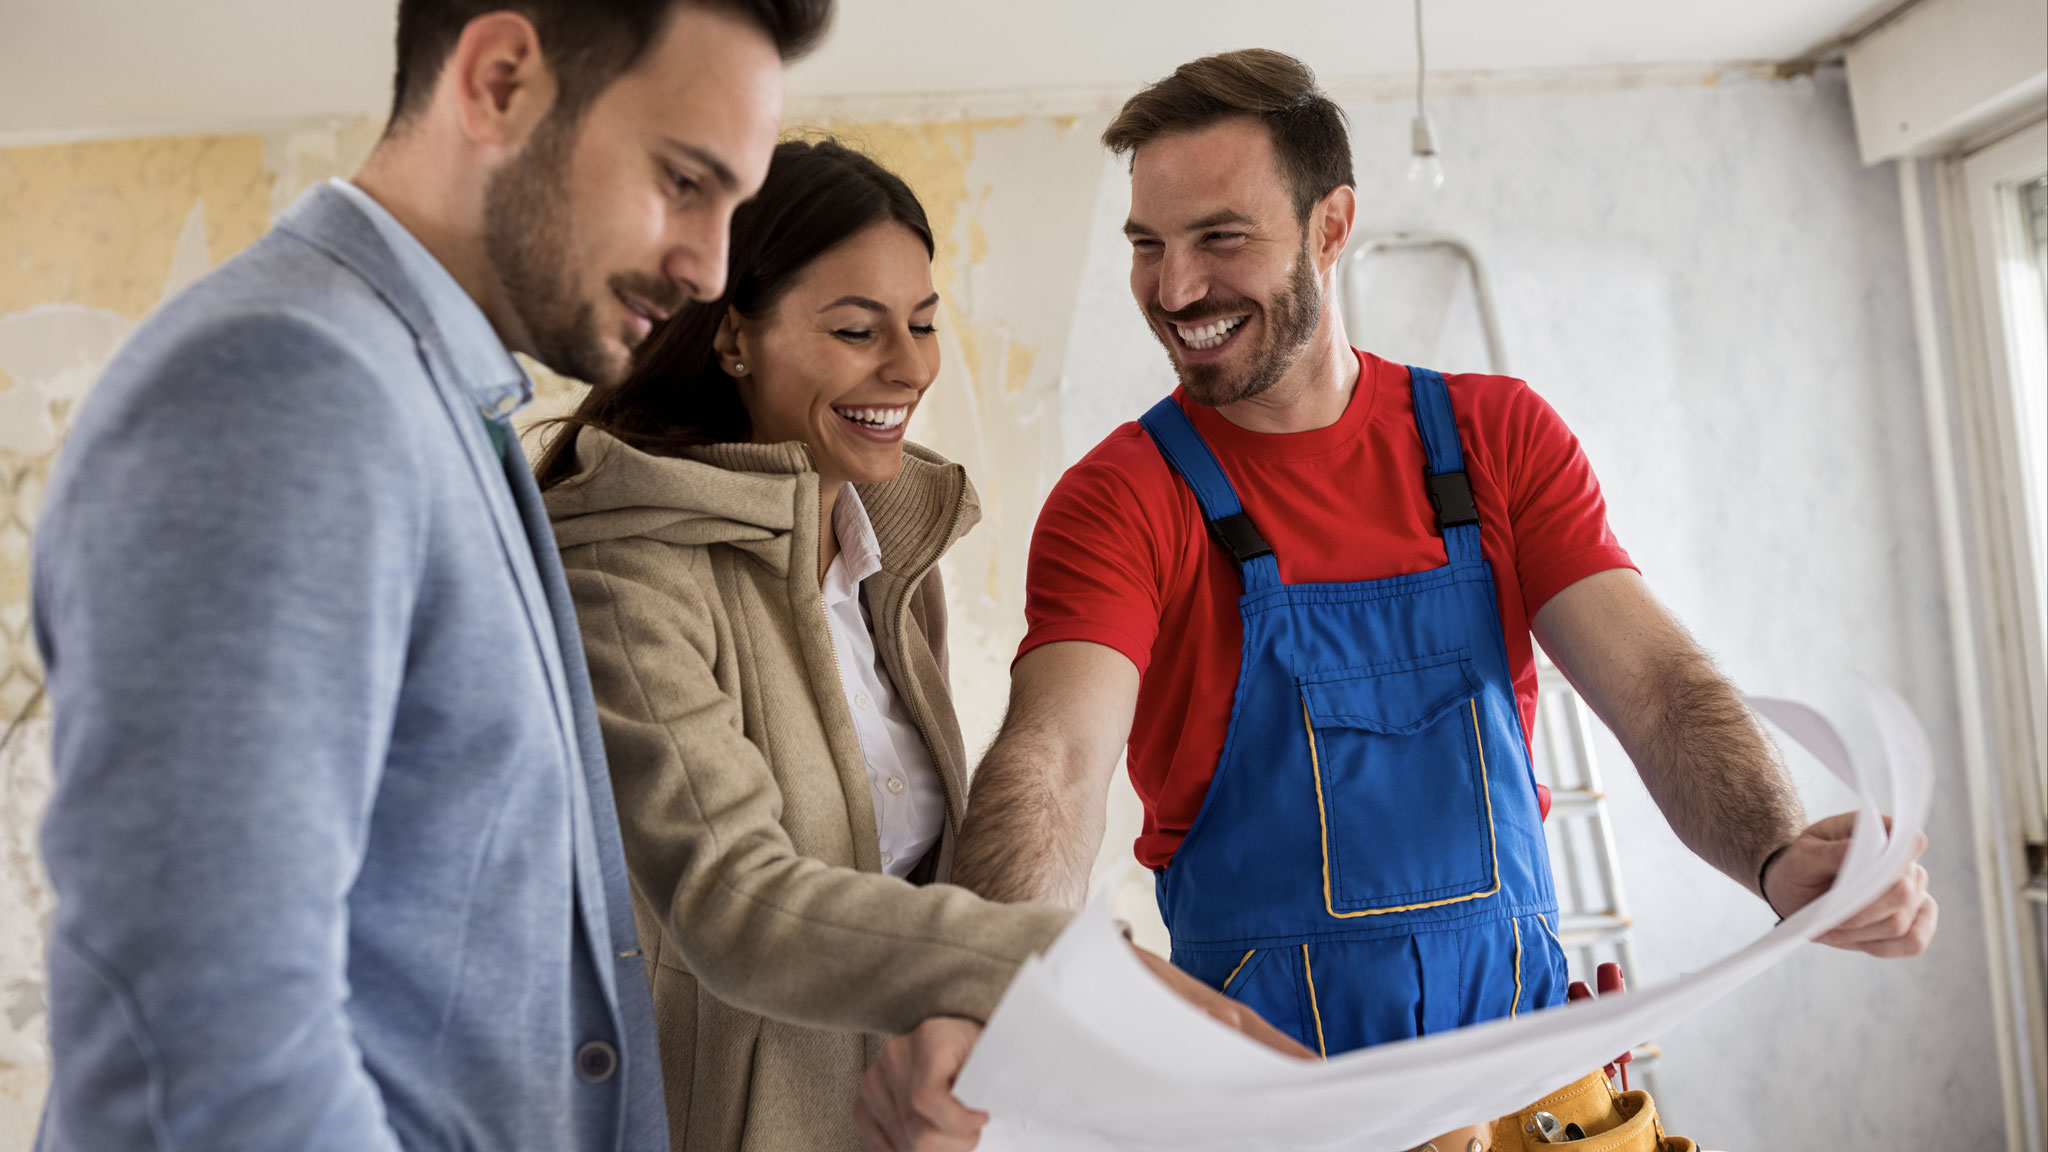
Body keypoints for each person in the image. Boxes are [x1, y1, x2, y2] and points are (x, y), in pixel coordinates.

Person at [859, 48, 1938, 1149]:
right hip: (1274, 1121)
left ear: (1331, 227)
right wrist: (981, 986)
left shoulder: (1493, 441)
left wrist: (1776, 850)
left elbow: (1656, 689)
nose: (1173, 290)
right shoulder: (1123, 498)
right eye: (1147, 246)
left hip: (1533, 1108)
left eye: (1218, 239)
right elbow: (1056, 757)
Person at [28, 1, 831, 1148]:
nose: (707, 269)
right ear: (500, 80)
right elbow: (207, 1043)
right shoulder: (284, 384)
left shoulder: (439, 400)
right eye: (682, 181)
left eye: (732, 208)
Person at [534, 137, 1305, 1152]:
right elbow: (734, 902)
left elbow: (904, 891)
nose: (907, 367)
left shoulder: (886, 564)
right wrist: (1058, 964)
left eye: (924, 323)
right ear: (732, 341)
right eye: (855, 330)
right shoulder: (626, 581)